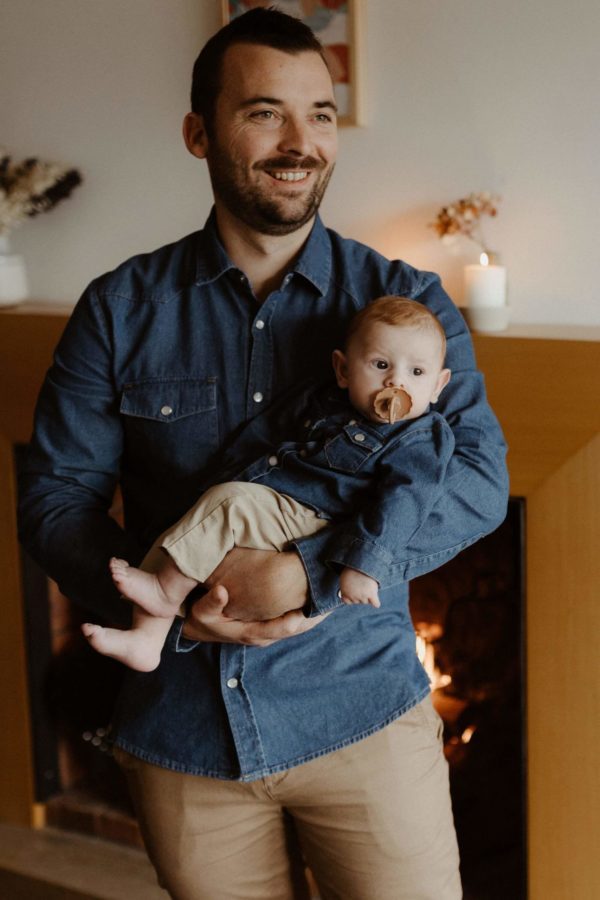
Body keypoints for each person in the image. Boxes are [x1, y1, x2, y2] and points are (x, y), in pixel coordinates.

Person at [18, 9, 508, 899]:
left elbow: (478, 481)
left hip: (363, 717)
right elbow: (54, 498)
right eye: (263, 113)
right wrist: (176, 601)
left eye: (320, 113)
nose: (301, 142)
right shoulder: (118, 309)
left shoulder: (408, 302)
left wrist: (307, 574)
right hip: (185, 734)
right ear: (198, 132)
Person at [82, 296, 453, 672]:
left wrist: (365, 564)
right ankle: (147, 638)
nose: (396, 381)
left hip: (318, 517)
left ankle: (164, 592)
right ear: (343, 370)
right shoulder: (321, 401)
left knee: (230, 504)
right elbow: (263, 438)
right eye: (380, 364)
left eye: (417, 373)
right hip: (276, 502)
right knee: (188, 522)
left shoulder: (420, 438)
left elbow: (406, 502)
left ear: (439, 385)